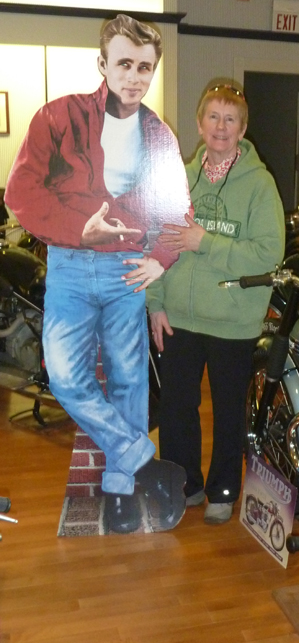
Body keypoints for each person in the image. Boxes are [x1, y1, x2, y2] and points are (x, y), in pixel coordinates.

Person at [5, 14, 192, 534]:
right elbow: (20, 192)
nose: (134, 77)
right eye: (124, 64)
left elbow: (178, 210)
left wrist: (161, 259)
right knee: (65, 376)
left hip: (126, 271)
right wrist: (77, 230)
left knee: (130, 380)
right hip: (69, 267)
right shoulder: (58, 117)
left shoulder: (158, 135)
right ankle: (143, 461)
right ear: (102, 64)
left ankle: (120, 489)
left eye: (144, 67)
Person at [147, 84, 285, 525]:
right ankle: (185, 484)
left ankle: (223, 491)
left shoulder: (259, 185)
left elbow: (268, 255)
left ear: (242, 129)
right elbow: (156, 244)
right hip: (179, 317)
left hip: (232, 321)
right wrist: (155, 303)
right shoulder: (179, 178)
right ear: (199, 123)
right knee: (176, 409)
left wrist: (204, 241)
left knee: (229, 413)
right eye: (213, 117)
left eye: (230, 119)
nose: (220, 127)